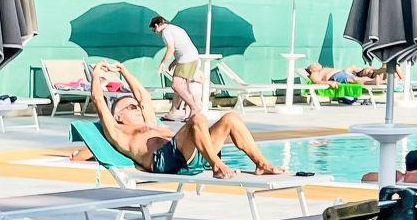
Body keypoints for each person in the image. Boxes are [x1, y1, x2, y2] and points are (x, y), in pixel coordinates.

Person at [86, 61, 281, 177]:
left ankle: (261, 163)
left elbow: (143, 96)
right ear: (117, 116)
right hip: (165, 160)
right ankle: (217, 166)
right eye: (131, 107)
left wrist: (123, 70)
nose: (137, 108)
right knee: (197, 119)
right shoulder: (117, 132)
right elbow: (98, 100)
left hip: (193, 154)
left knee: (231, 118)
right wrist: (96, 75)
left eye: (136, 106)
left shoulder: (150, 122)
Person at [151, 15, 205, 118]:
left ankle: (194, 107)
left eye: (154, 30)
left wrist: (162, 63)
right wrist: (174, 61)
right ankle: (173, 113)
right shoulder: (175, 28)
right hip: (192, 57)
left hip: (186, 60)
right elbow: (183, 46)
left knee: (176, 85)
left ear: (157, 25)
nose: (155, 32)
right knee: (179, 87)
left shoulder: (166, 32)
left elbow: (171, 49)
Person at [304, 62, 389, 87]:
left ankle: (379, 81)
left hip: (341, 74)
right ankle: (376, 81)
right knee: (354, 80)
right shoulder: (314, 74)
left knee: (356, 79)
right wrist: (329, 83)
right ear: (311, 69)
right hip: (335, 77)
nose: (316, 63)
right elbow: (317, 82)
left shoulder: (320, 70)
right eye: (314, 64)